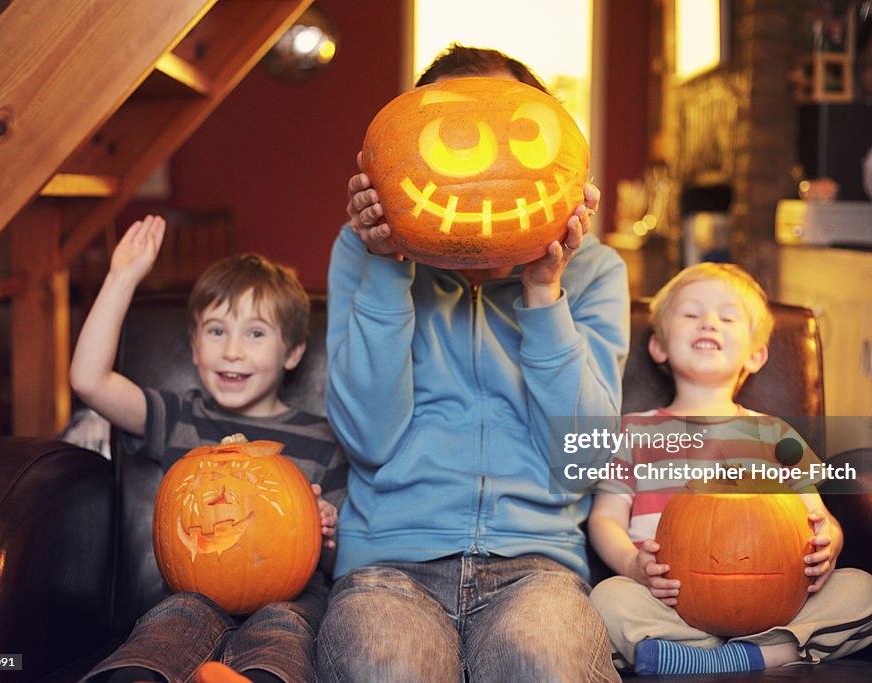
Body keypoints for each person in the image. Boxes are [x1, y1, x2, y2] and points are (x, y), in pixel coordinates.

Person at [318, 45, 628, 682]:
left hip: (536, 569)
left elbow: (586, 461)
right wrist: (387, 269)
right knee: (388, 668)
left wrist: (545, 292)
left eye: (512, 132)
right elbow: (368, 441)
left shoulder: (594, 272)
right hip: (388, 565)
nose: (484, 163)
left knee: (548, 662)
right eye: (456, 136)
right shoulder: (363, 252)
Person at [70, 215, 346, 683]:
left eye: (255, 333)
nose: (232, 351)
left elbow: (338, 560)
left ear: (294, 352)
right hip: (190, 593)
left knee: (286, 630)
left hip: (289, 600)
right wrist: (122, 278)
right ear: (195, 348)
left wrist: (325, 526)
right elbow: (89, 382)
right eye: (217, 332)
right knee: (170, 623)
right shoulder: (178, 416)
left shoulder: (324, 437)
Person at [588, 262, 872, 676]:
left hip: (777, 602)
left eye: (727, 317)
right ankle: (747, 652)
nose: (709, 322)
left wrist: (829, 543)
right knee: (607, 599)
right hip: (668, 603)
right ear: (658, 346)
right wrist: (632, 565)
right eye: (691, 314)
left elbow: (820, 517)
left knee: (863, 592)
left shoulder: (774, 433)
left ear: (756, 354)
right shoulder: (634, 431)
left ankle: (731, 655)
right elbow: (604, 519)